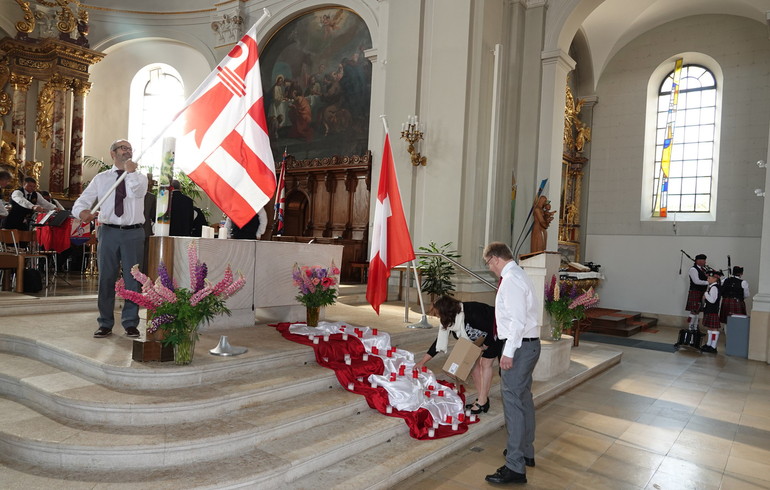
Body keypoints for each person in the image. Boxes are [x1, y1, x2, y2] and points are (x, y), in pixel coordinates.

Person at [72, 139, 148, 339]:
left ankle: (131, 323)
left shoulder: (140, 178)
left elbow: (137, 192)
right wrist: (81, 213)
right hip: (109, 232)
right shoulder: (102, 178)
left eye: (130, 148)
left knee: (133, 279)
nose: (128, 151)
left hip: (133, 232)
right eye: (123, 148)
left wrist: (130, 173)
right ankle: (105, 322)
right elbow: (82, 201)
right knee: (106, 277)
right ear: (113, 153)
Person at [482, 241, 540, 485]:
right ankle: (525, 451)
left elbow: (516, 321)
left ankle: (515, 466)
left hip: (519, 346)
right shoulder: (518, 275)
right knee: (523, 397)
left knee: (513, 403)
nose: (490, 268)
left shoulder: (511, 280)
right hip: (527, 344)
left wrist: (508, 352)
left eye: (488, 264)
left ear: (495, 259)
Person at [414, 295, 502, 415]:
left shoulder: (472, 312)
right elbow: (437, 344)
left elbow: (491, 328)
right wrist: (422, 362)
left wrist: (484, 346)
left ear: (446, 311)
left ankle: (482, 401)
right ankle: (483, 400)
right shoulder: (449, 320)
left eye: (438, 314)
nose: (437, 317)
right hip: (478, 340)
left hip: (495, 331)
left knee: (485, 363)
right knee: (474, 366)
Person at [685, 253, 709, 331]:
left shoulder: (704, 269)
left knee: (697, 311)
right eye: (703, 260)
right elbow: (696, 281)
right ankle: (690, 328)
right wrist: (709, 282)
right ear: (698, 261)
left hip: (702, 292)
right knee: (694, 311)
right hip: (695, 292)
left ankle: (695, 328)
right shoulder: (693, 269)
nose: (705, 262)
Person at [700, 270, 722, 354]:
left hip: (712, 310)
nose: (708, 279)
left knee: (714, 328)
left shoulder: (714, 288)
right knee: (710, 328)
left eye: (709, 278)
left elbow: (712, 300)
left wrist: (706, 294)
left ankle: (713, 346)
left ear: (715, 279)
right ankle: (709, 344)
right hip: (709, 309)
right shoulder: (712, 286)